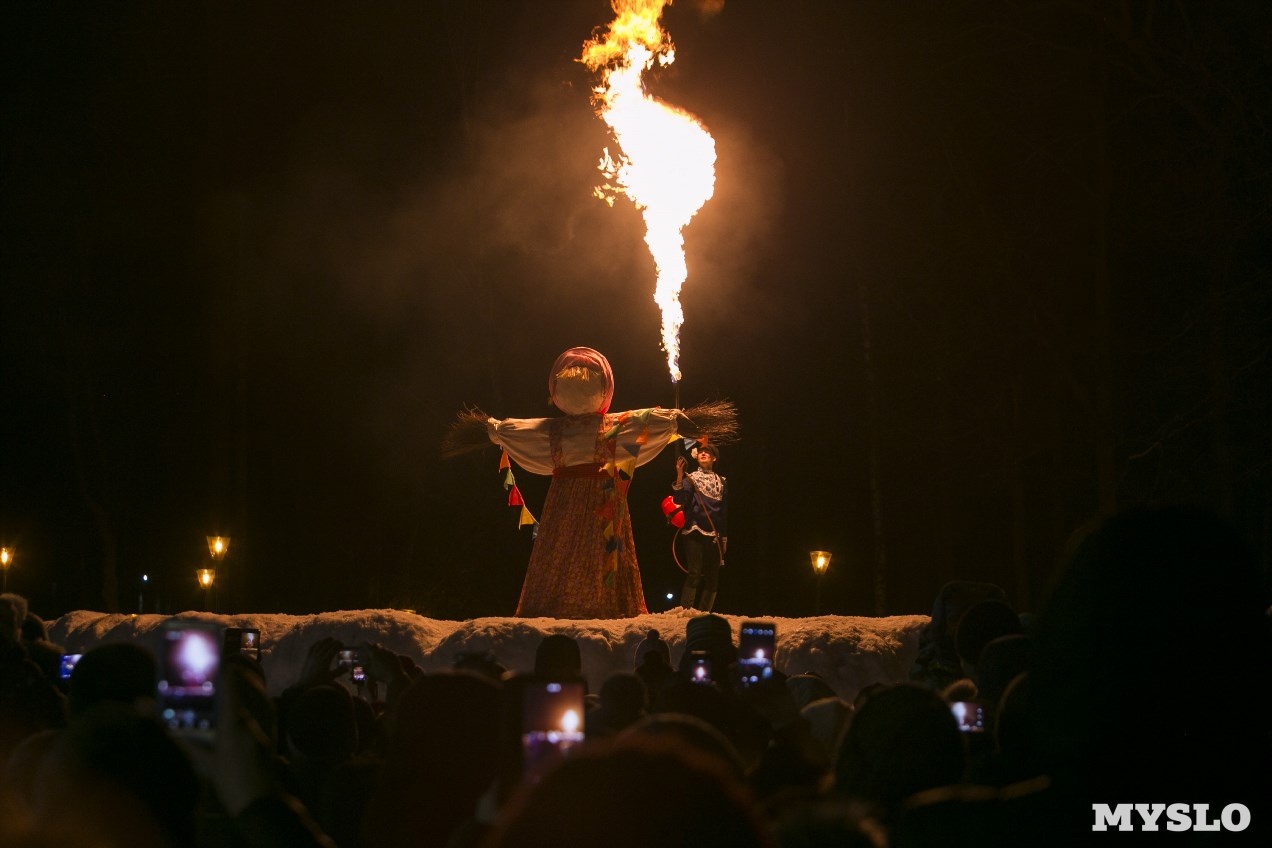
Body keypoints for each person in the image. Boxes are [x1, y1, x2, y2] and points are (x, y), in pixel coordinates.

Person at [484, 347, 690, 619]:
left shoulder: (610, 424)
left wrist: (673, 420)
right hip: (575, 496)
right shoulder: (558, 428)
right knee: (566, 545)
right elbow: (524, 430)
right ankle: (570, 605)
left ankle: (585, 605)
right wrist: (497, 430)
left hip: (597, 497)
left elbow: (644, 419)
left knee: (591, 547)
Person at [674, 443, 728, 612]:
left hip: (714, 534)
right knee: (694, 573)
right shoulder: (691, 478)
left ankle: (705, 613)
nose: (703, 454)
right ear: (696, 457)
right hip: (694, 530)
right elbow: (679, 500)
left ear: (714, 458)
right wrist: (679, 475)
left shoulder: (722, 482)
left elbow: (724, 511)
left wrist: (724, 538)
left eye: (707, 452)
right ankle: (685, 611)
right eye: (701, 452)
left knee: (713, 577)